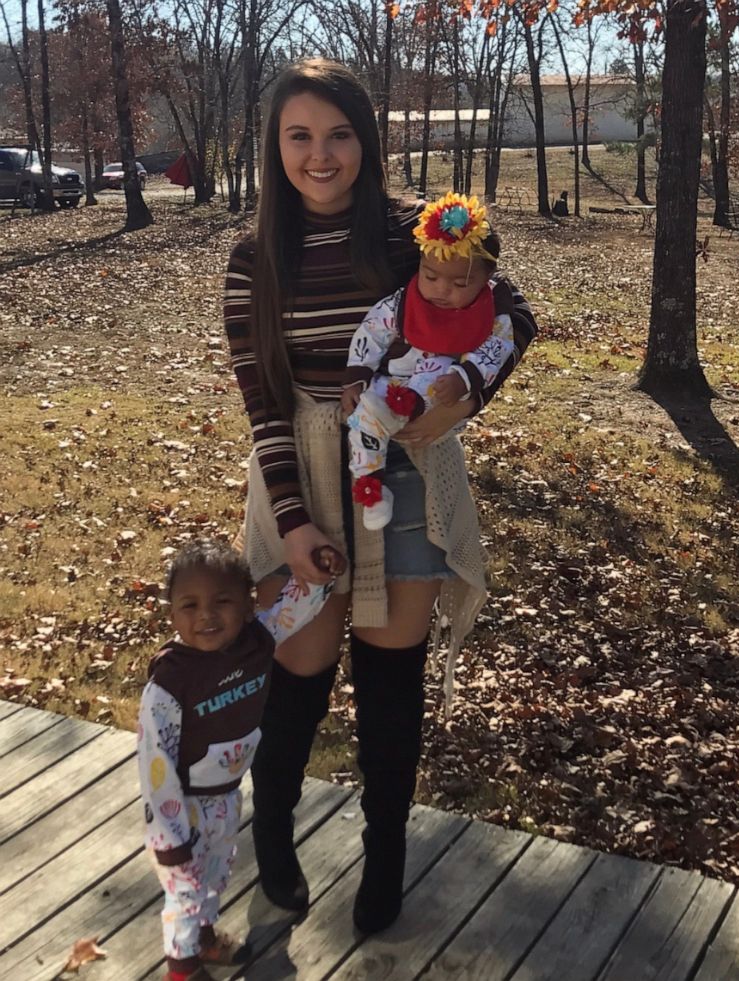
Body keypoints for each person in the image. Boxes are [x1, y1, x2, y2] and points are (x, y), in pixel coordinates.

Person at [222, 58, 538, 935]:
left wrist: (469, 392)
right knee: (302, 671)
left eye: (338, 134)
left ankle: (386, 856)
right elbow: (260, 398)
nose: (321, 155)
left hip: (409, 474)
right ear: (275, 147)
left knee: (391, 680)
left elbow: (515, 314)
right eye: (299, 136)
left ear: (365, 138)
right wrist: (290, 523)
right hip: (303, 474)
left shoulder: (415, 234)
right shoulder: (254, 258)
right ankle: (276, 840)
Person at [137, 539, 343, 981]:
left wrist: (321, 574)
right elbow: (156, 767)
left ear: (248, 605)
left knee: (212, 880)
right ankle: (182, 968)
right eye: (189, 605)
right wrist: (171, 839)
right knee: (184, 895)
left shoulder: (257, 642)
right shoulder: (171, 683)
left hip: (225, 798)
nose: (206, 616)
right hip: (179, 810)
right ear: (171, 613)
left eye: (222, 602)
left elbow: (295, 607)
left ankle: (204, 939)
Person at [341, 191, 514, 530]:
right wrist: (357, 374)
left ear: (486, 278)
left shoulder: (490, 307)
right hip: (392, 383)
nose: (441, 290)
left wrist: (467, 378)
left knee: (439, 376)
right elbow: (373, 330)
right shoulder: (406, 303)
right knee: (364, 420)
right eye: (430, 276)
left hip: (441, 398)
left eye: (460, 283)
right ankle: (371, 487)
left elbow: (499, 344)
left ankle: (409, 407)